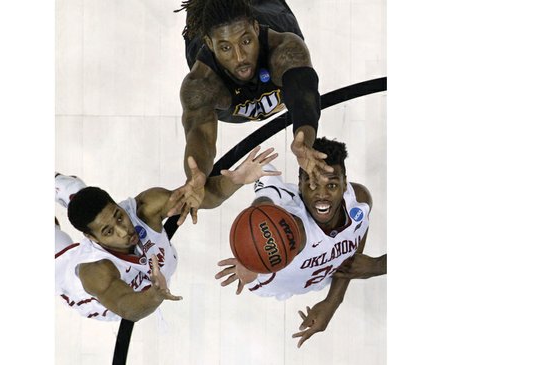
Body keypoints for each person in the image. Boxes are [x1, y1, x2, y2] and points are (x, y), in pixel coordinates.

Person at [54, 147, 280, 322]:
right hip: (67, 276)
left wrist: (234, 181)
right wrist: (154, 295)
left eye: (119, 216)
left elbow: (204, 198)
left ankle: (62, 185)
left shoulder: (145, 207)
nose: (124, 231)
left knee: (78, 193)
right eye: (109, 231)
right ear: (92, 238)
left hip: (134, 275)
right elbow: (126, 306)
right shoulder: (94, 271)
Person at [172, 0, 334, 225]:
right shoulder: (202, 85)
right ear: (210, 44)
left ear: (257, 29)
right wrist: (196, 176)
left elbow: (303, 96)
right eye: (225, 47)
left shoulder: (285, 48)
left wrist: (304, 138)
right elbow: (200, 141)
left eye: (246, 41)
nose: (240, 57)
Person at [214, 137, 387, 347]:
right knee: (268, 186)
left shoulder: (359, 200)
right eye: (312, 184)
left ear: (345, 184)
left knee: (269, 181)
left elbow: (356, 234)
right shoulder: (296, 228)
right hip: (272, 281)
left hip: (316, 277)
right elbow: (265, 209)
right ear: (300, 186)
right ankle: (262, 175)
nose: (322, 194)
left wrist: (333, 301)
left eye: (332, 185)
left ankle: (265, 175)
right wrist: (251, 254)